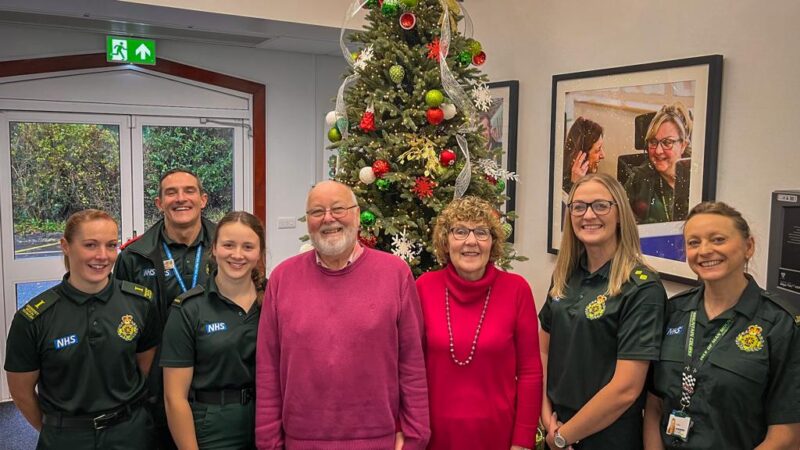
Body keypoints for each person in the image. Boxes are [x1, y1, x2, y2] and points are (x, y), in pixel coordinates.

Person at [255, 180, 430, 449]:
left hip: (378, 441)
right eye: (317, 212)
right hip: (301, 441)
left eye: (338, 209)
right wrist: (268, 441)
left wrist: (415, 437)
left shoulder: (395, 274)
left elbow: (412, 364)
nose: (328, 218)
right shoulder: (282, 278)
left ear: (357, 215)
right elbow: (268, 367)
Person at [643, 202, 800, 450]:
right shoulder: (673, 312)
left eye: (717, 239)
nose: (704, 250)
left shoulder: (780, 325)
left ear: (749, 246)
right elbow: (654, 405)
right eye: (694, 243)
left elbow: (787, 435)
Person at [4, 209, 160, 449]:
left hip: (130, 433)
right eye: (90, 245)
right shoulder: (34, 318)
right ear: (65, 246)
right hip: (66, 437)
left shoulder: (140, 303)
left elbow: (144, 366)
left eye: (111, 245)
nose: (102, 256)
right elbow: (22, 392)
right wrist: (56, 430)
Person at [539, 173, 667, 449]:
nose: (588, 215)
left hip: (607, 436)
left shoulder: (641, 288)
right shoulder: (565, 275)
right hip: (557, 427)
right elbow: (544, 349)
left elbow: (626, 389)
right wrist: (546, 415)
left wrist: (565, 435)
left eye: (600, 205)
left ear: (620, 213)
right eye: (579, 207)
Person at [416, 196, 542, 450]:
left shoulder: (516, 290)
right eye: (460, 231)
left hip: (499, 437)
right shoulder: (423, 288)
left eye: (481, 232)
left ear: (492, 242)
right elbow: (408, 369)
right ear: (445, 240)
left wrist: (523, 441)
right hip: (433, 438)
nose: (471, 241)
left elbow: (530, 372)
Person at [114, 168, 217, 449]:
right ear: (159, 203)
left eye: (189, 191)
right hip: (156, 386)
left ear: (203, 199)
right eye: (171, 192)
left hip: (218, 375)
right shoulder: (134, 257)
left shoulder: (229, 247)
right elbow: (122, 324)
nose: (180, 198)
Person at [161, 211, 267, 449]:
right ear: (215, 249)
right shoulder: (189, 309)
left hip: (267, 420)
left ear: (259, 252)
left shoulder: (274, 300)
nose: (237, 255)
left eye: (248, 246)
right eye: (228, 245)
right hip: (212, 428)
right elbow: (174, 398)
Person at [624, 103, 692, 224]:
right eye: (653, 142)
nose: (658, 151)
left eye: (667, 142)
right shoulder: (638, 181)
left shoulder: (696, 178)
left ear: (683, 145)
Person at [562, 117, 605, 194]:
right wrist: (575, 185)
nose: (603, 155)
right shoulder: (560, 189)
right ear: (581, 157)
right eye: (597, 150)